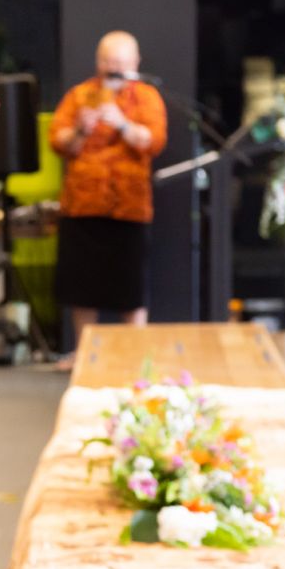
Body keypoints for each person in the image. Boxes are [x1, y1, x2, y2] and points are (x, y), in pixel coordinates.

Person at [49, 31, 167, 367]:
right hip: (82, 202)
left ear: (135, 63)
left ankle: (135, 355)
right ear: (98, 62)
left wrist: (122, 124)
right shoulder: (80, 95)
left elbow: (153, 141)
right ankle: (86, 353)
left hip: (128, 204)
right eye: (107, 63)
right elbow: (58, 142)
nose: (113, 69)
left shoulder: (146, 97)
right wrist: (81, 131)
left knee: (130, 282)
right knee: (81, 283)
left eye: (120, 64)